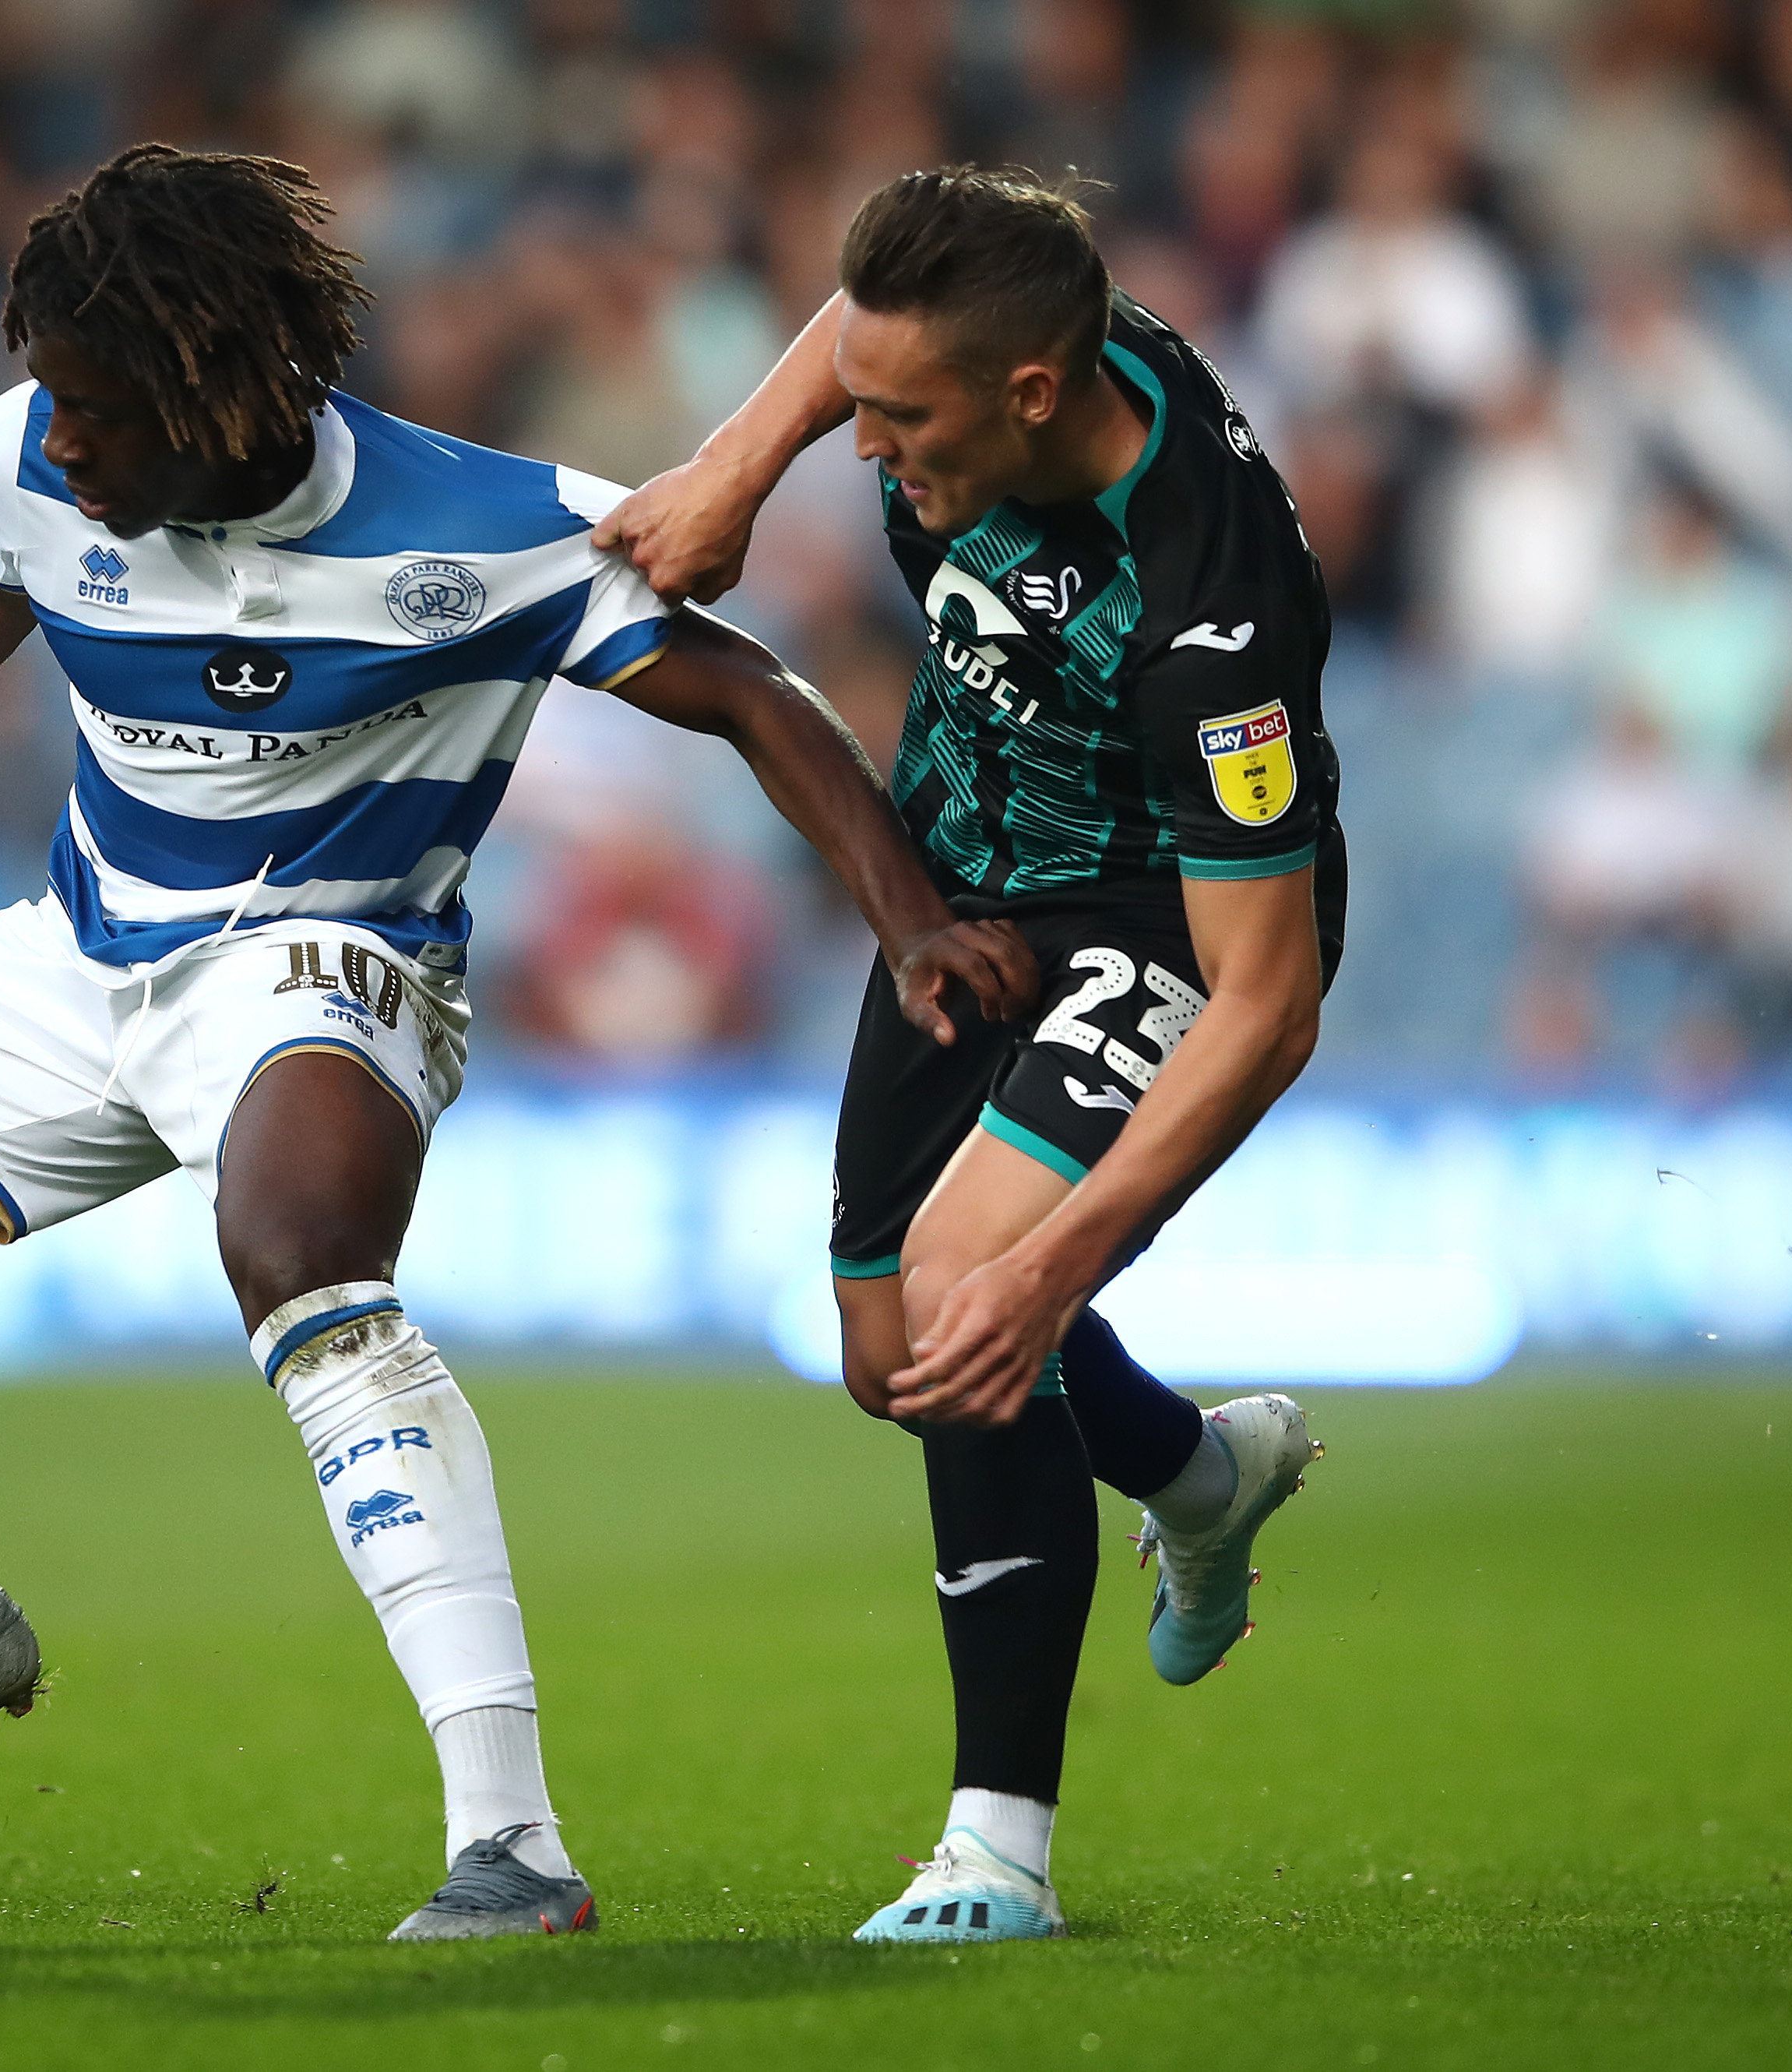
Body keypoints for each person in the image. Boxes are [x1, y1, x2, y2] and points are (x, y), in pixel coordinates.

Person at [0, 146, 1026, 1943]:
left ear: (217, 393)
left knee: (301, 1256)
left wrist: (907, 917)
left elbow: (749, 692)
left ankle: (512, 1845)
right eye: (50, 399)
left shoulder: (484, 527)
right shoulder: (36, 453)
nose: (60, 440)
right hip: (78, 958)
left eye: (99, 410)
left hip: (331, 956)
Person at [597, 167, 1344, 1943]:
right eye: (860, 410)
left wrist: (1056, 1263)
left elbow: (1269, 1002)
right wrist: (732, 468)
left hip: (1162, 920)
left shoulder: (1211, 618)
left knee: (970, 1299)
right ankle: (1196, 1472)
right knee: (896, 1358)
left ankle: (997, 1848)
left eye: (902, 425)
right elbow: (863, 334)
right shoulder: (1022, 331)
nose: (867, 448)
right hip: (962, 883)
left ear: (1030, 395)